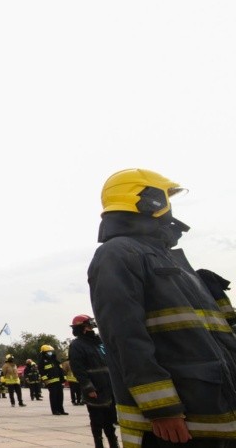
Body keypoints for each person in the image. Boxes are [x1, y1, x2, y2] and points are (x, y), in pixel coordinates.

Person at [88, 168, 236, 447]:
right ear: (149, 200)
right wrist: (162, 408)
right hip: (174, 425)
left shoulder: (170, 260)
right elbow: (125, 337)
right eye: (167, 196)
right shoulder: (117, 253)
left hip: (210, 408)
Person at [69, 315, 119, 448]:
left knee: (110, 420)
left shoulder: (99, 342)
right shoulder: (76, 345)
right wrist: (88, 388)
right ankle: (99, 443)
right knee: (97, 420)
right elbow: (78, 370)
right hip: (95, 388)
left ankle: (113, 443)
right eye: (88, 325)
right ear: (82, 328)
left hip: (108, 386)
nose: (91, 328)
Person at [38, 344, 68, 416]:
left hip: (58, 382)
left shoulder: (55, 360)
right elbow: (42, 372)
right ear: (44, 353)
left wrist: (63, 379)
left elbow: (61, 370)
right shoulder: (42, 361)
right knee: (53, 397)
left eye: (51, 351)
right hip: (50, 382)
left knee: (60, 396)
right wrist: (46, 381)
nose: (50, 353)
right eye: (48, 352)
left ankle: (61, 410)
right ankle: (55, 410)